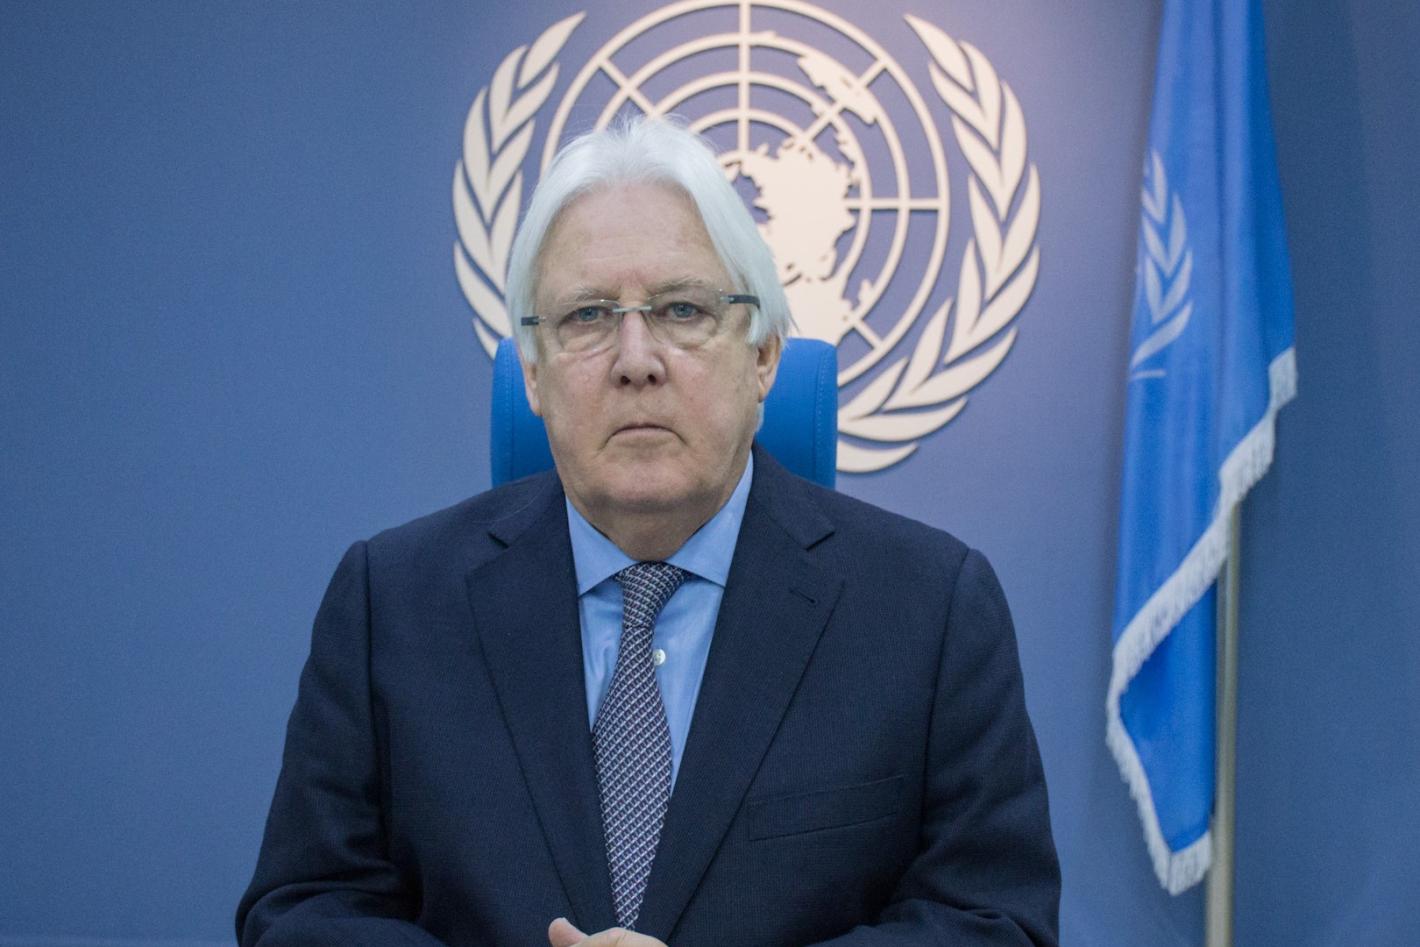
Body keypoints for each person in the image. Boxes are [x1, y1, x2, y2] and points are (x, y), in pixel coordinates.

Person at [237, 117, 1060, 946]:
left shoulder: (928, 609)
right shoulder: (393, 604)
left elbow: (995, 921)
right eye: (589, 315)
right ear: (533, 370)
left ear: (765, 354)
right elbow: (304, 910)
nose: (636, 359)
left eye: (682, 309)